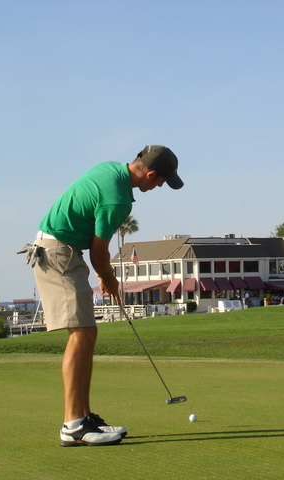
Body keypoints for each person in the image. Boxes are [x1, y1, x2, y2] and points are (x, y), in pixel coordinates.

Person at [19, 145, 183, 447]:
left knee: (86, 334)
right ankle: (73, 426)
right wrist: (110, 280)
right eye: (161, 181)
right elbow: (99, 252)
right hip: (59, 253)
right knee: (81, 335)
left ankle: (83, 416)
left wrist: (106, 277)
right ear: (150, 174)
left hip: (60, 250)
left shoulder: (109, 169)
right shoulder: (118, 198)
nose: (159, 186)